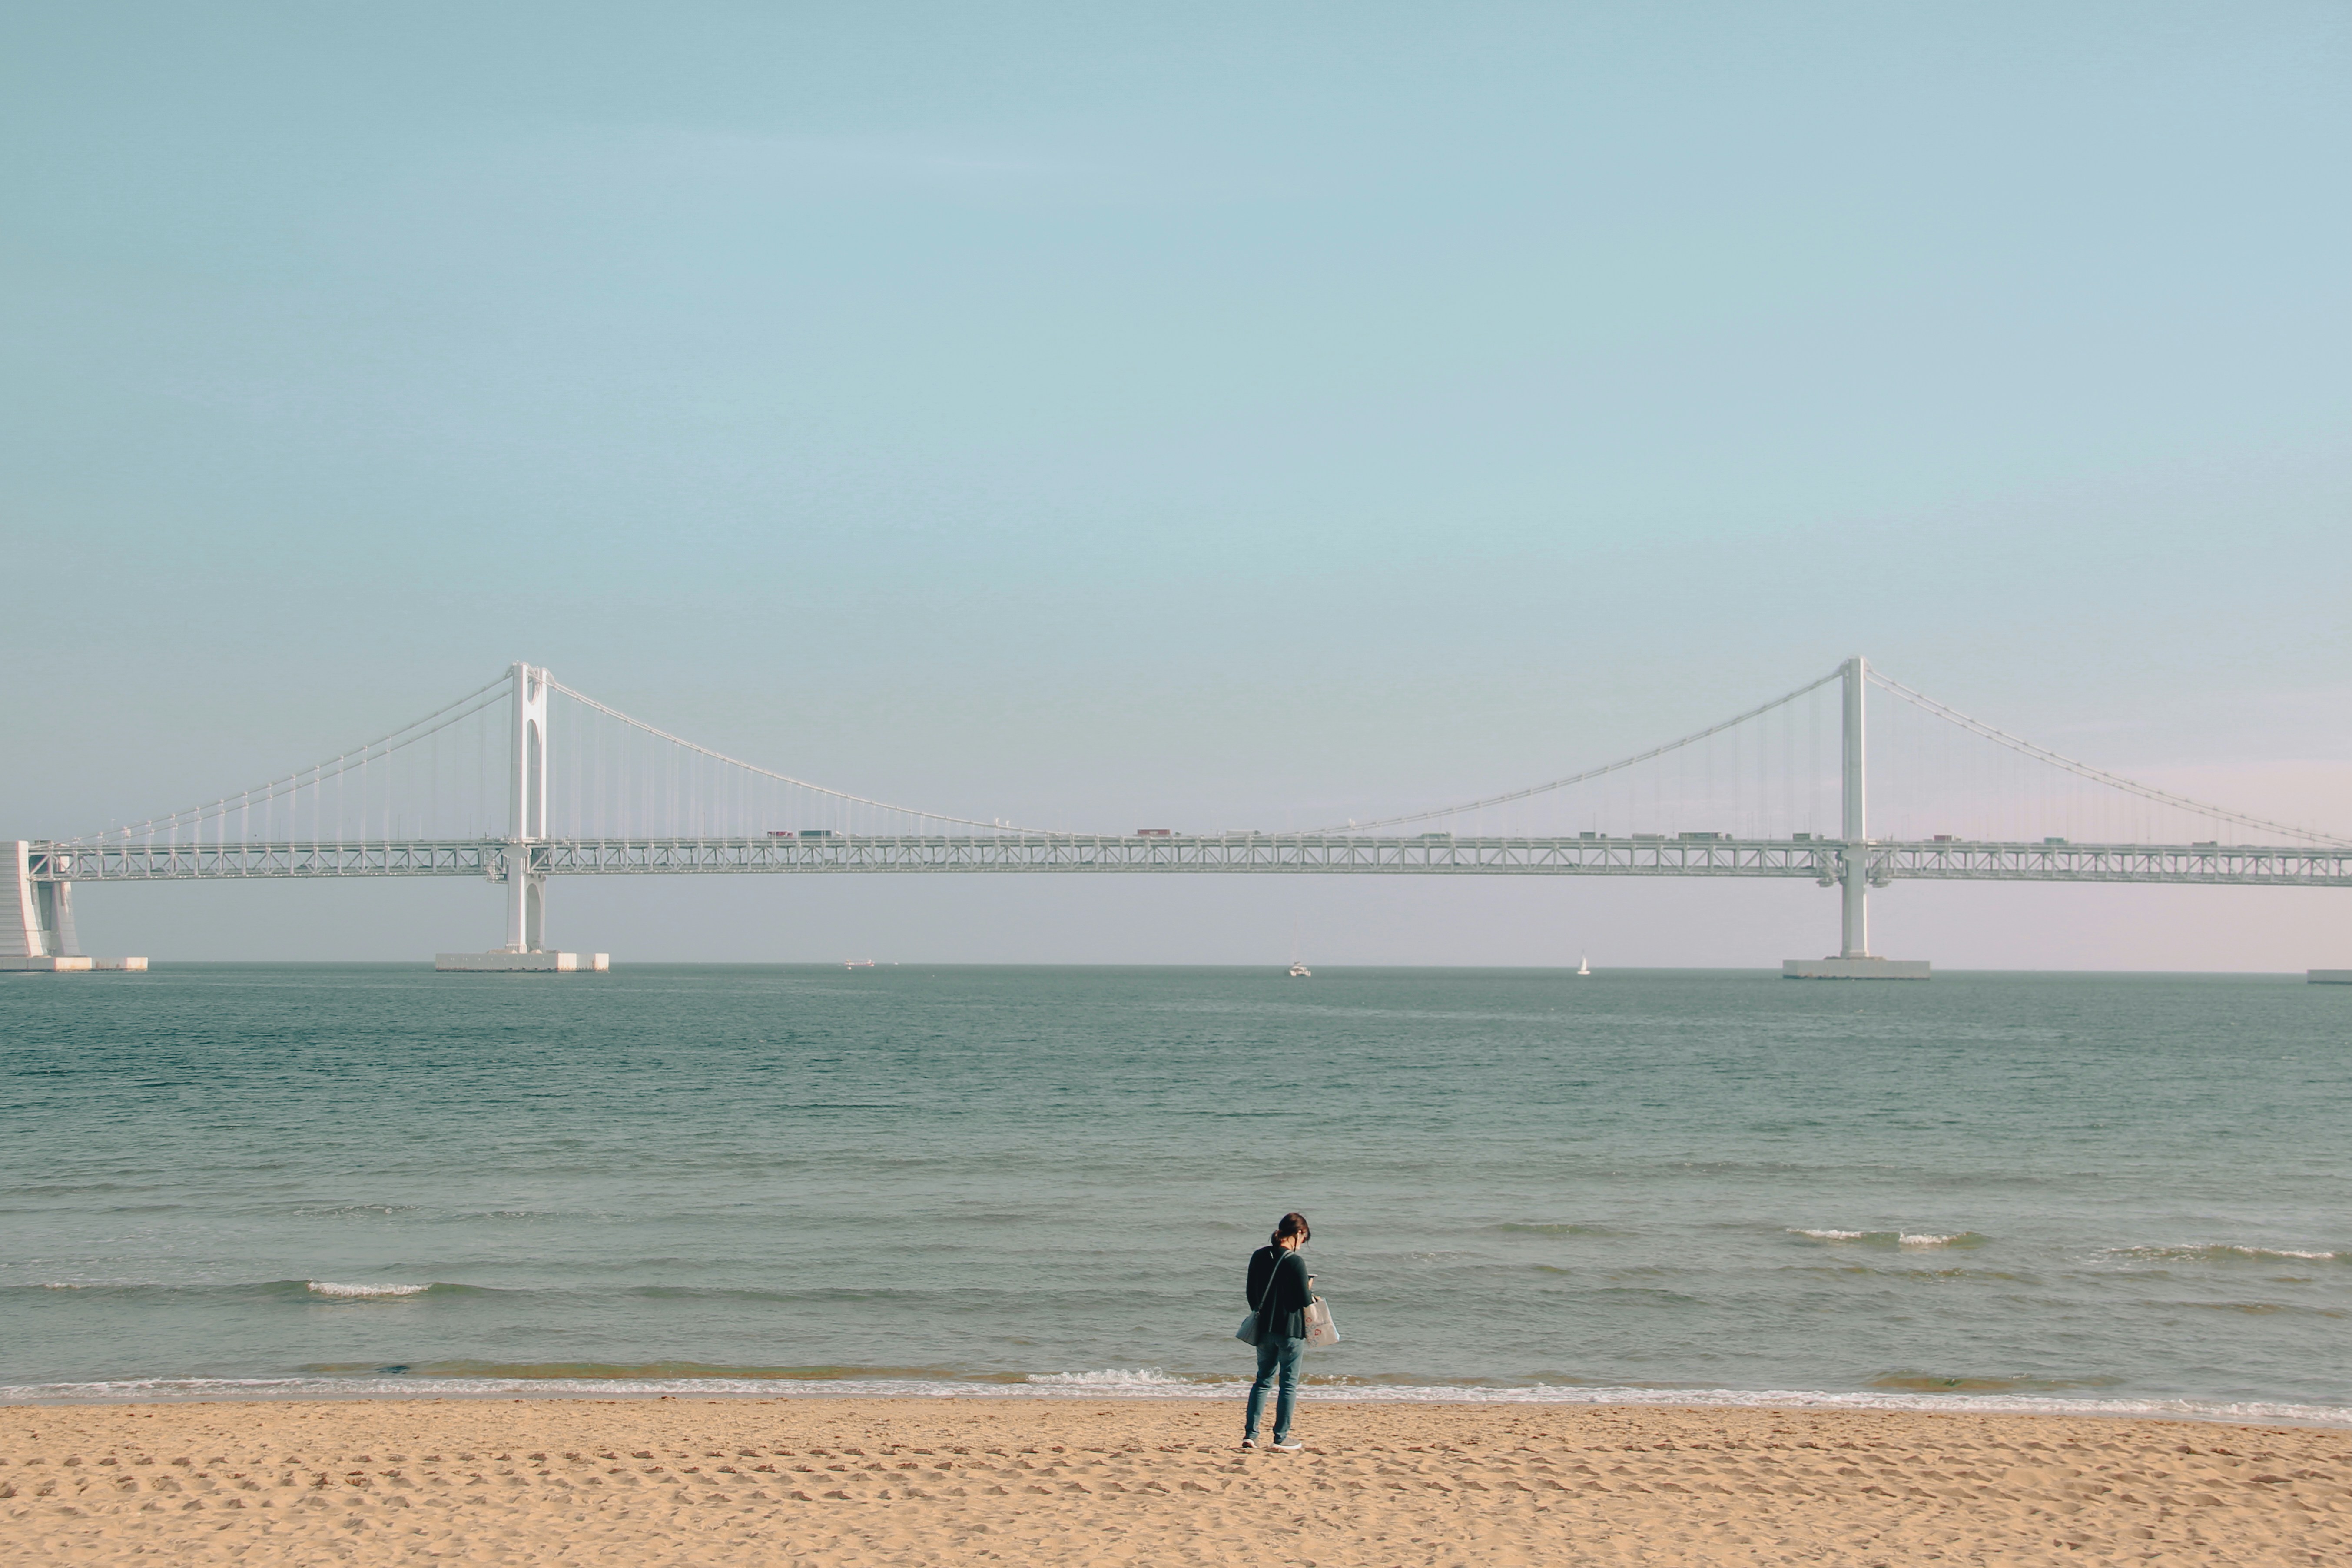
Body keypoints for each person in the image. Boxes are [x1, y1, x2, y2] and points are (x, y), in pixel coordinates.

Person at [1242, 1211, 1314, 1452]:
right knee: (1288, 1384)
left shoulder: (1259, 1256)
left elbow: (1251, 1293)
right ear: (1299, 1234)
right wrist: (1309, 1287)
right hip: (1290, 1330)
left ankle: (1251, 1436)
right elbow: (1304, 1301)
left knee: (1263, 1380)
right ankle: (1281, 1437)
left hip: (1264, 1329)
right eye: (1303, 1240)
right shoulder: (1295, 1262)